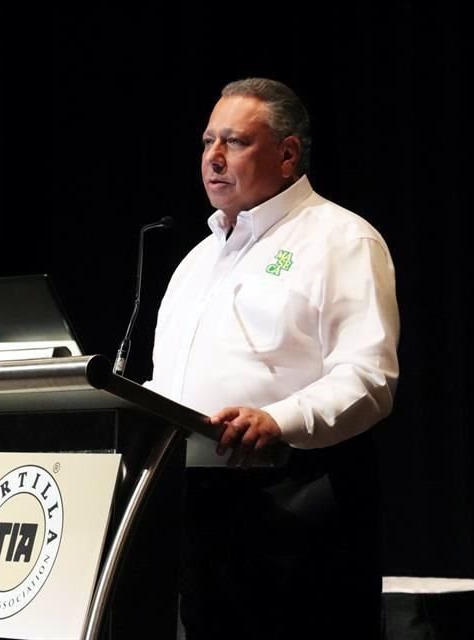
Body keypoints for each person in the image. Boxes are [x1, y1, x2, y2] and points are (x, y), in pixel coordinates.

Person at [146, 78, 400, 639]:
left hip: (296, 502)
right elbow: (171, 384)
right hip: (197, 508)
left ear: (287, 155)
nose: (213, 158)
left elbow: (368, 378)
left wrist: (277, 419)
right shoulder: (195, 261)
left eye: (235, 142)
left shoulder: (341, 239)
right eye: (207, 141)